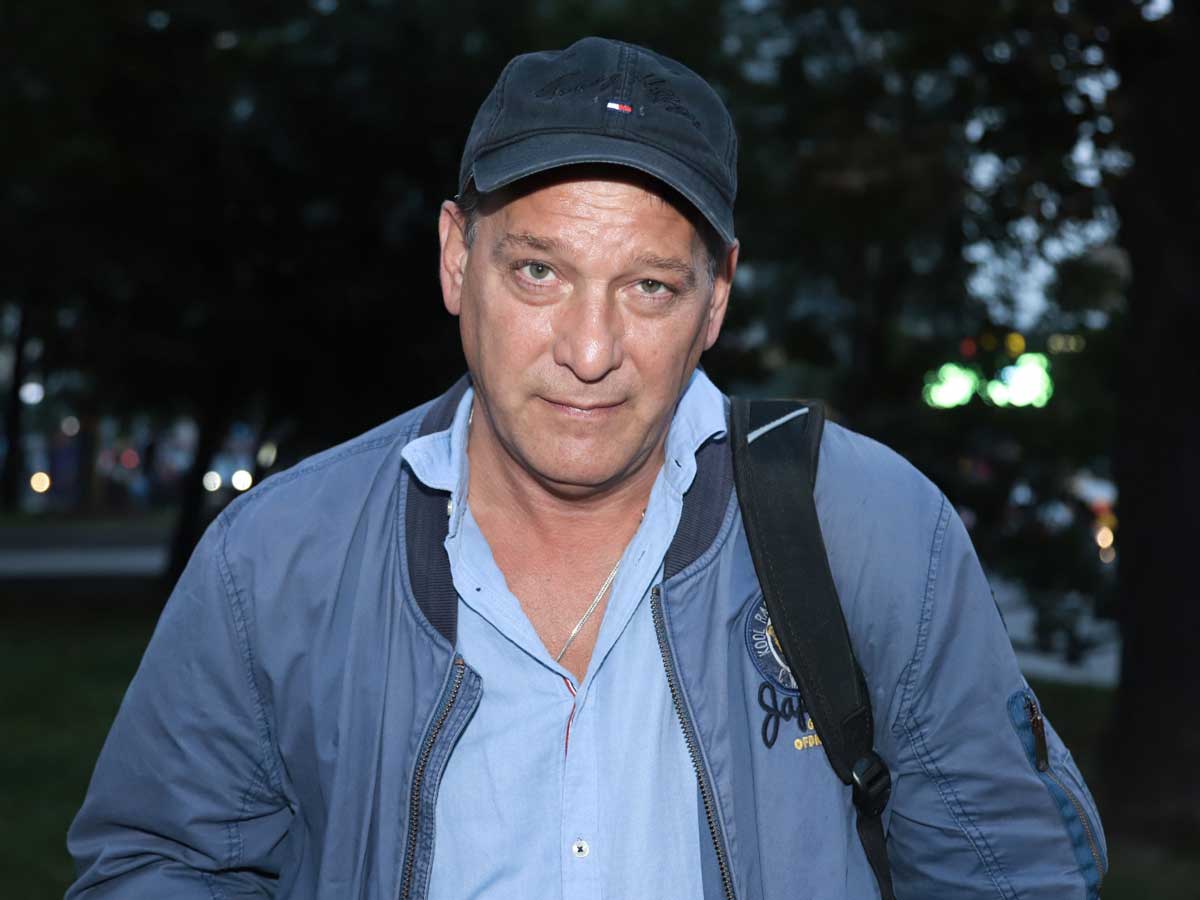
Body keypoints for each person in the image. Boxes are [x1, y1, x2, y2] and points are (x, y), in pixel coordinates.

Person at [67, 37, 1106, 900]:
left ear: (715, 299)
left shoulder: (868, 530)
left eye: (650, 286)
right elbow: (160, 864)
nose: (592, 348)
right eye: (539, 271)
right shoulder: (276, 561)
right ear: (456, 258)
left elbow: (1011, 875)